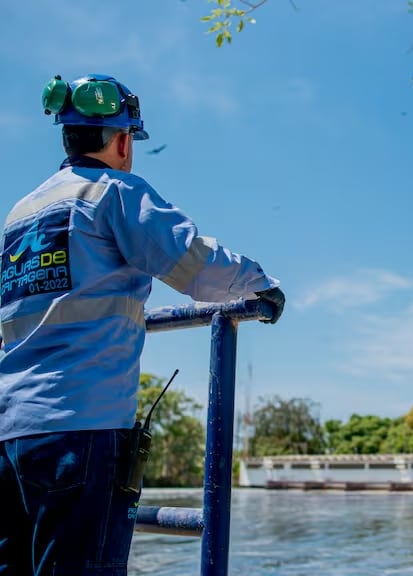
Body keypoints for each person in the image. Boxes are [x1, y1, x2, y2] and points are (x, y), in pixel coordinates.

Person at [0, 73, 285, 576]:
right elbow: (193, 262)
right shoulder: (113, 191)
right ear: (124, 140)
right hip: (80, 427)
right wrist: (260, 285)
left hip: (9, 434)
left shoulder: (21, 214)